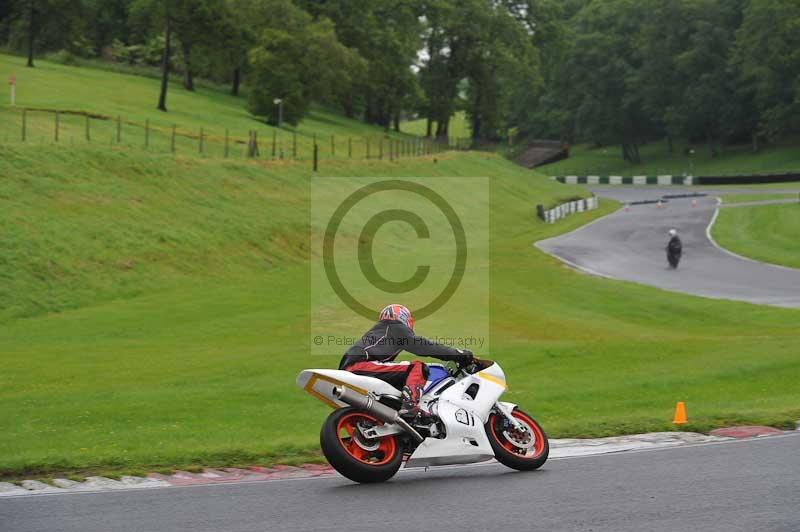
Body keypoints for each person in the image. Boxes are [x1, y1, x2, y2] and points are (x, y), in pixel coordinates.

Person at [339, 304, 473, 420]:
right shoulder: (394, 326)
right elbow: (423, 346)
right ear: (404, 317)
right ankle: (410, 406)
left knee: (399, 379)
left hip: (355, 367)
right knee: (417, 367)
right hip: (360, 365)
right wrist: (458, 354)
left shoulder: (381, 331)